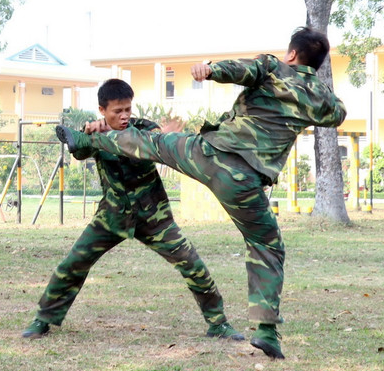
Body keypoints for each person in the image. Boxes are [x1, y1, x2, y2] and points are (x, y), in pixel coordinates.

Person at [55, 27, 347, 359]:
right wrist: (312, 85)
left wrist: (212, 70)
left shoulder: (273, 66)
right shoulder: (318, 96)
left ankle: (87, 139)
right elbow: (337, 113)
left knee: (152, 143)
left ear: (291, 54)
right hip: (246, 181)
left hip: (210, 153)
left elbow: (245, 69)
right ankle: (266, 330)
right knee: (267, 246)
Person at [22, 79, 243, 342]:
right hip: (112, 216)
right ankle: (43, 319)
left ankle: (218, 323)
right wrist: (90, 132)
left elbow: (149, 143)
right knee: (73, 264)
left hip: (154, 216)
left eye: (128, 109)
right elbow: (78, 150)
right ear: (102, 110)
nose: (125, 115)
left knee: (192, 263)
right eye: (118, 111)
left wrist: (124, 134)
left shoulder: (144, 129)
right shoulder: (95, 133)